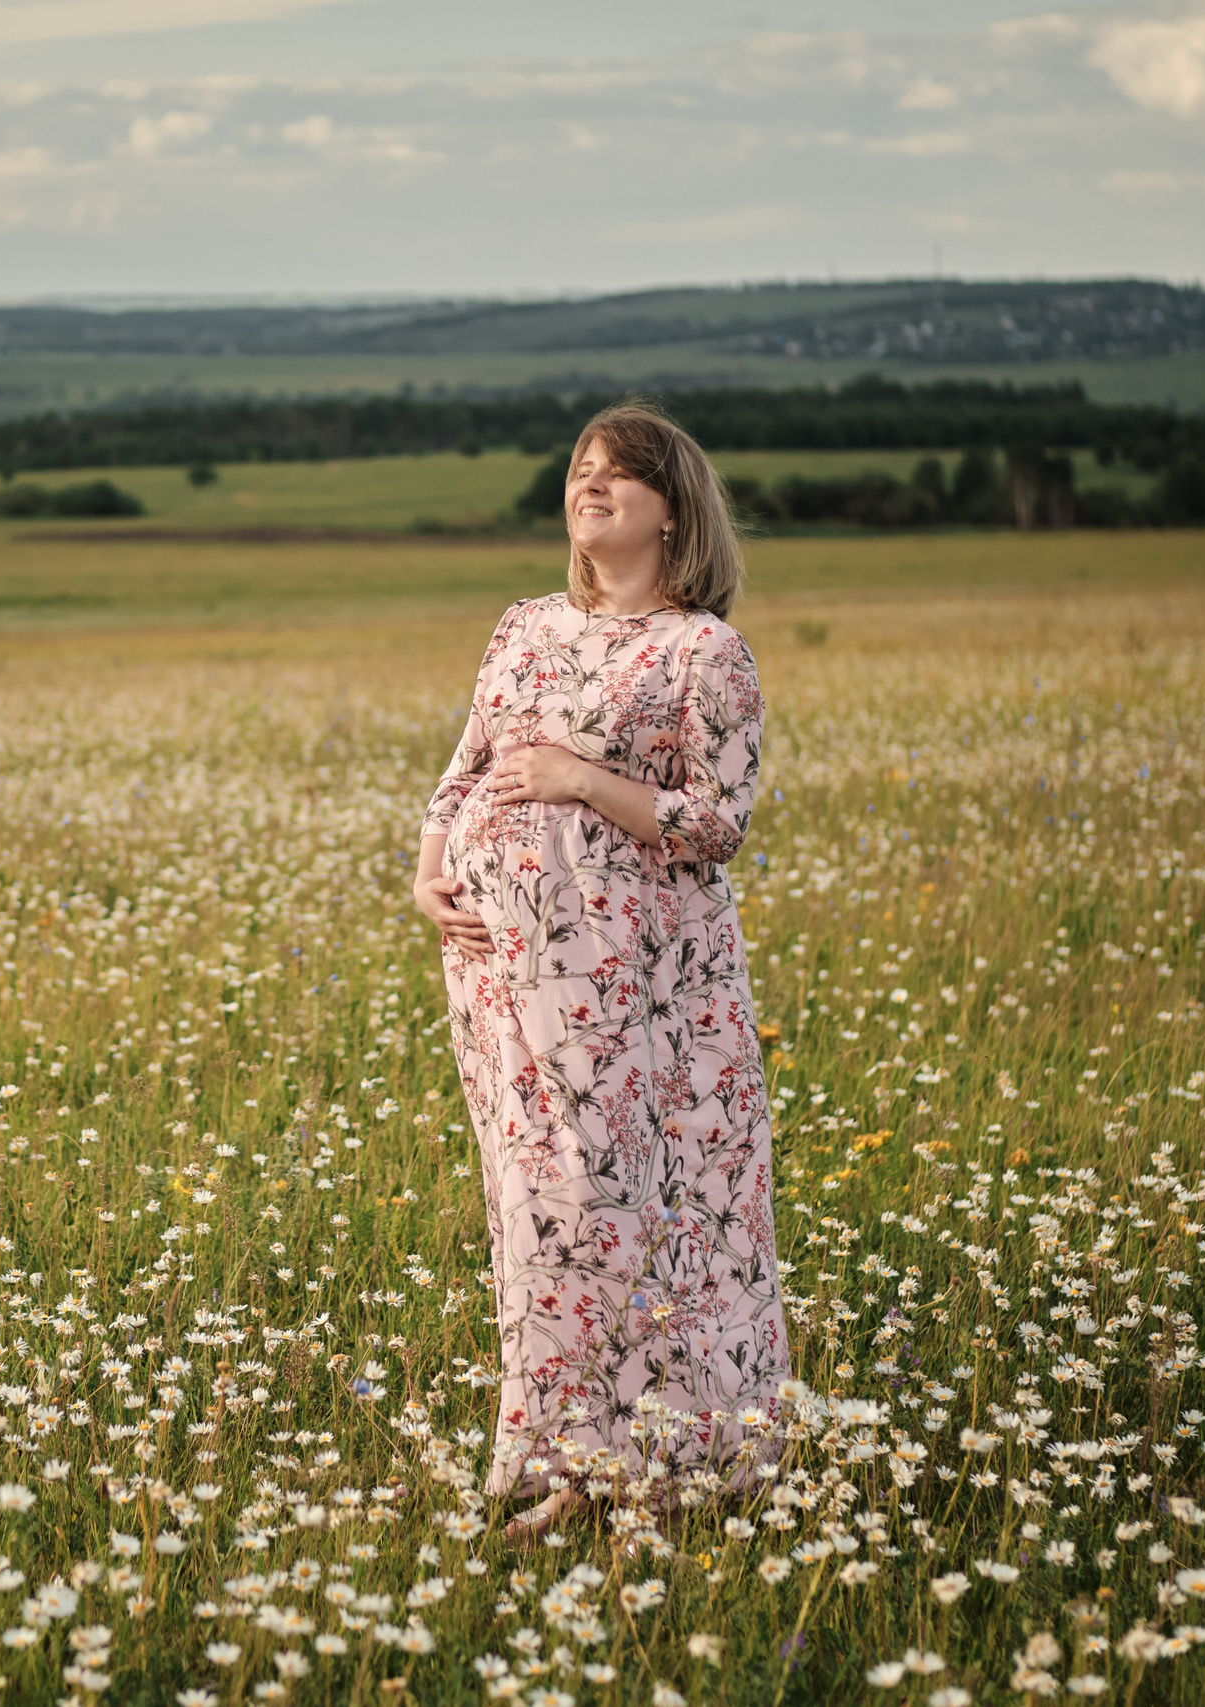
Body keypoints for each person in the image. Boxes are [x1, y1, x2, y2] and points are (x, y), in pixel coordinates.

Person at [412, 401, 790, 1545]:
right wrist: (429, 867)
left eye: (621, 474)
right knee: (537, 1211)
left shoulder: (700, 652)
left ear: (673, 508)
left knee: (645, 1210)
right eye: (580, 470)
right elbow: (468, 760)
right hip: (502, 980)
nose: (592, 486)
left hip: (644, 996)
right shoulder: (524, 625)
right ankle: (567, 1464)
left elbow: (717, 824)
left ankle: (674, 1468)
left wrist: (582, 780)